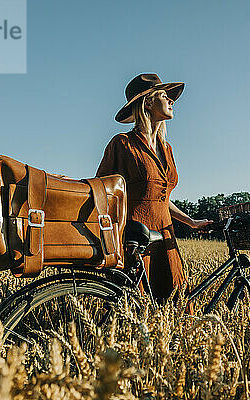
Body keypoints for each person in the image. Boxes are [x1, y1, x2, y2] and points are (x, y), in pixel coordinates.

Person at [96, 73, 212, 306]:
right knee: (134, 304)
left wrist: (191, 221)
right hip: (135, 236)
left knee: (173, 303)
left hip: (165, 234)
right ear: (147, 102)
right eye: (164, 96)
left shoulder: (166, 148)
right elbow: (101, 189)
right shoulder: (122, 144)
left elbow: (160, 197)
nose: (171, 101)